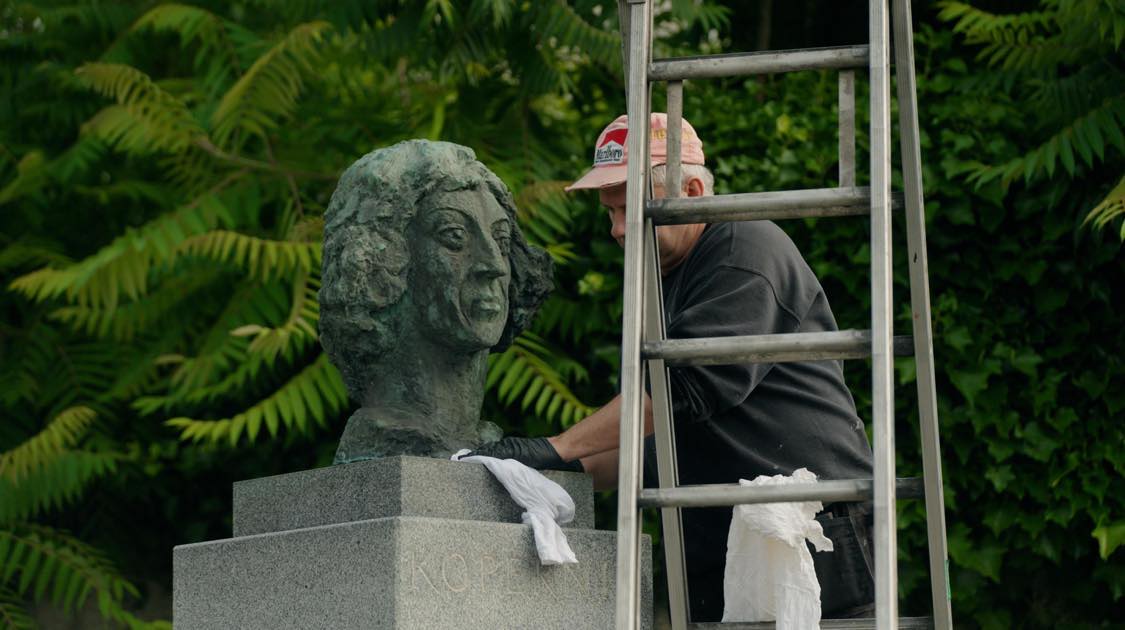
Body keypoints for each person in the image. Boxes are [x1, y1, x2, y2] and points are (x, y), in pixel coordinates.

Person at [468, 114, 876, 620]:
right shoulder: (662, 280)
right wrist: (554, 469)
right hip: (724, 531)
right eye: (610, 212)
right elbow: (655, 437)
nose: (618, 230)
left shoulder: (742, 248)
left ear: (692, 191)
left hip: (810, 524)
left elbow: (682, 386)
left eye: (630, 209)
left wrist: (560, 447)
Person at [319, 140, 553, 463]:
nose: (494, 265)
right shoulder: (383, 444)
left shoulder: (493, 448)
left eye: (501, 241)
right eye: (454, 236)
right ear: (381, 261)